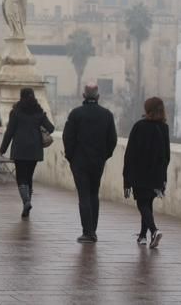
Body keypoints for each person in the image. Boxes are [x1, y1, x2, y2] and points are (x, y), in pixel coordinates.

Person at [63, 83, 117, 243]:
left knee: (84, 195)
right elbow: (112, 140)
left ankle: (88, 232)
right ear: (98, 96)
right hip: (98, 161)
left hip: (79, 161)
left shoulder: (76, 114)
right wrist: (104, 155)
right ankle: (93, 229)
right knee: (94, 194)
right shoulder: (107, 115)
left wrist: (71, 157)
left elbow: (68, 137)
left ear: (83, 96)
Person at [123, 97, 170, 249]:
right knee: (147, 203)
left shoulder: (139, 126)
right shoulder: (164, 127)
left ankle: (154, 231)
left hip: (139, 174)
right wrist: (162, 177)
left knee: (142, 203)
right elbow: (167, 156)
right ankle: (143, 236)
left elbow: (129, 154)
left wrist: (127, 179)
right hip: (156, 175)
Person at [0, 88, 54, 219]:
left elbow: (10, 132)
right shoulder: (39, 112)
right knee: (29, 177)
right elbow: (51, 128)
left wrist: (3, 148)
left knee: (21, 177)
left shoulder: (16, 112)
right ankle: (27, 204)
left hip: (20, 149)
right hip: (35, 149)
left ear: (21, 96)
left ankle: (26, 202)